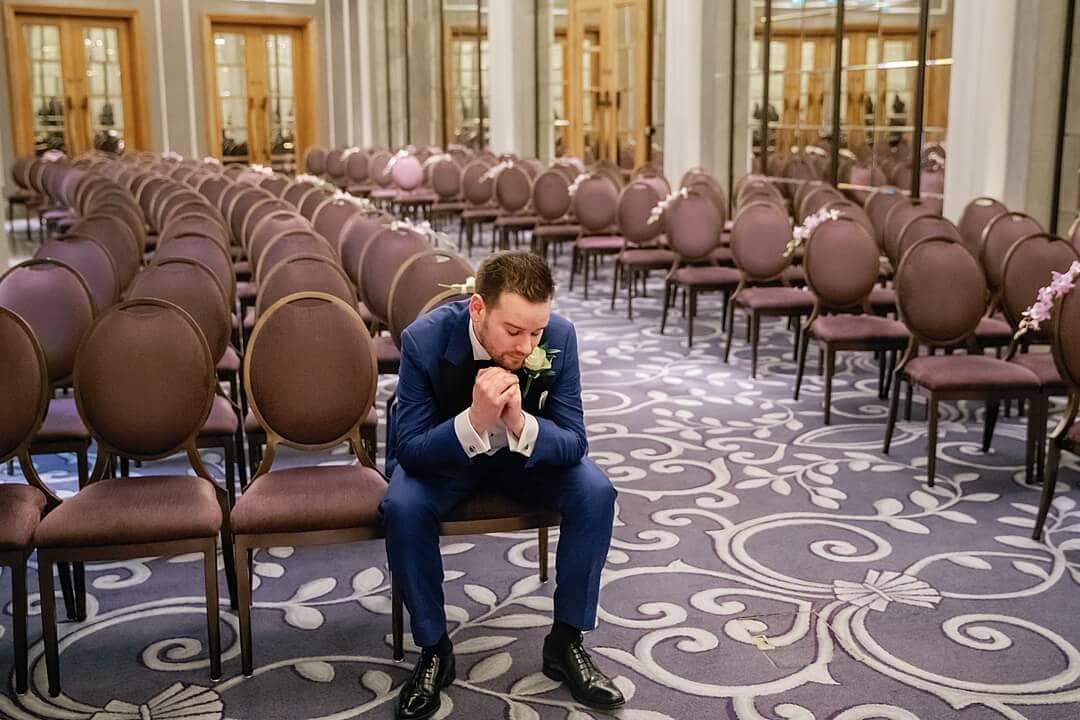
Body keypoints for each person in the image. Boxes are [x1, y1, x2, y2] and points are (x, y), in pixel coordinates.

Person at [382, 252, 624, 720]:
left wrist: (521, 424)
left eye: (536, 332)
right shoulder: (423, 341)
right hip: (446, 462)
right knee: (402, 506)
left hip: (523, 460)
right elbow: (409, 449)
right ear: (478, 309)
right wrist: (474, 422)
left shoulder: (559, 337)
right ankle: (434, 649)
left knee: (595, 492)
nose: (527, 347)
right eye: (513, 332)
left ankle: (566, 641)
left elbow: (574, 442)